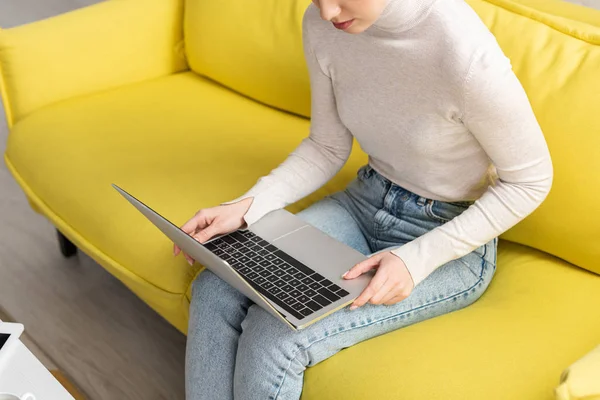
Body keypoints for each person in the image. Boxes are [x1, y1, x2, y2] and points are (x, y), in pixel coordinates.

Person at [175, 0, 553, 398]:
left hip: (446, 233)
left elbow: (530, 181)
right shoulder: (324, 26)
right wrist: (247, 206)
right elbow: (325, 145)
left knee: (278, 332)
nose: (326, 11)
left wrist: (416, 260)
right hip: (365, 200)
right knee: (215, 286)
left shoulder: (465, 57)